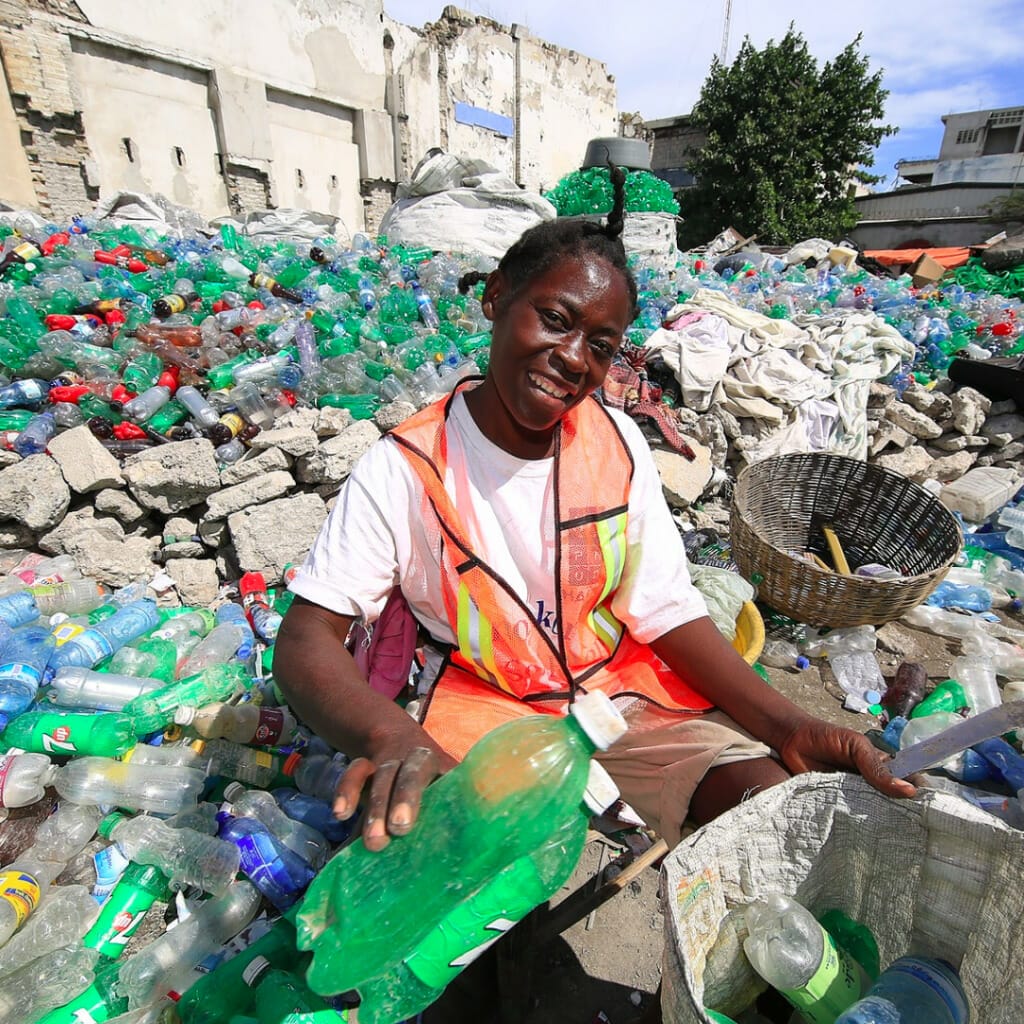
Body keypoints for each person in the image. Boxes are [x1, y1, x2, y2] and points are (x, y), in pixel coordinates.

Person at [274, 165, 915, 859]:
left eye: (602, 346)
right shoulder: (405, 467)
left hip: (618, 693)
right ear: (496, 298)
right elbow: (306, 639)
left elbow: (665, 609)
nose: (574, 359)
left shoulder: (614, 445)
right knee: (463, 877)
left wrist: (787, 727)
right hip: (488, 707)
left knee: (766, 818)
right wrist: (389, 735)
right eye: (554, 320)